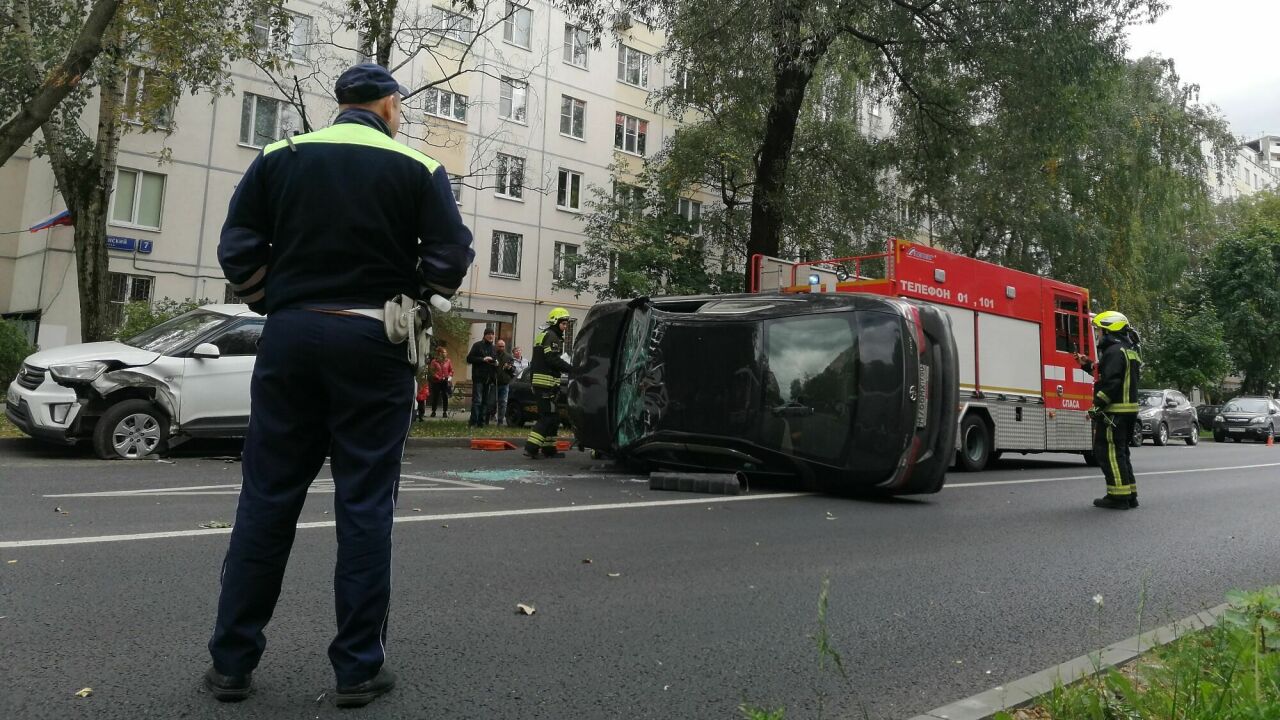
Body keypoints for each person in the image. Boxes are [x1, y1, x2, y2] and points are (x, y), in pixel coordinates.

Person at [207, 63, 474, 708]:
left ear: (340, 106)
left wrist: (283, 297)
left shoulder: (281, 154)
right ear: (388, 105)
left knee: (267, 498)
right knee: (363, 504)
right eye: (400, 107)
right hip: (371, 339)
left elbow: (237, 248)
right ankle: (356, 668)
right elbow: (450, 257)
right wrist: (410, 293)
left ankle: (232, 665)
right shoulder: (417, 166)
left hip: (292, 336)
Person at [1075, 310, 1142, 510]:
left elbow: (1111, 383)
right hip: (1128, 412)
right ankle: (1130, 494)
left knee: (1109, 453)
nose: (1098, 334)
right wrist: (1087, 365)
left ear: (1109, 329)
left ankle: (1118, 497)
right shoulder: (1129, 351)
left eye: (1099, 330)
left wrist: (1096, 406)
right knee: (1121, 453)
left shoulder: (1113, 352)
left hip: (1115, 412)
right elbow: (1109, 373)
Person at [524, 308, 574, 459]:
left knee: (554, 417)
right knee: (547, 417)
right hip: (546, 384)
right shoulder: (552, 337)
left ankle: (549, 449)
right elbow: (552, 359)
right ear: (555, 322)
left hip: (543, 383)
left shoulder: (545, 335)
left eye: (566, 324)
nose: (565, 327)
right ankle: (531, 448)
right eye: (563, 323)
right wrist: (572, 369)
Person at [467, 327, 498, 426]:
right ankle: (473, 422)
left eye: (492, 334)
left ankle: (482, 422)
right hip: (478, 377)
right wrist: (482, 359)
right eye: (488, 334)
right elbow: (469, 358)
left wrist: (496, 362)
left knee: (485, 401)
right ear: (484, 335)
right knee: (477, 400)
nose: (491, 336)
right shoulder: (477, 345)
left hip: (488, 378)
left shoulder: (493, 348)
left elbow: (495, 360)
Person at [494, 339, 515, 426]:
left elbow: (513, 370)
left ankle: (500, 421)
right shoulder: (493, 355)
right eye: (500, 346)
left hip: (505, 383)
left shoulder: (509, 357)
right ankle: (487, 418)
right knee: (492, 402)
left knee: (503, 402)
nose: (501, 348)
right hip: (494, 382)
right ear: (496, 346)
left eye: (503, 346)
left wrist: (509, 367)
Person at [428, 346, 453, 418]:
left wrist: (449, 376)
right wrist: (438, 377)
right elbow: (432, 371)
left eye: (446, 352)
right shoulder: (434, 361)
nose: (446, 354)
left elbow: (451, 370)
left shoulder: (448, 361)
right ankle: (433, 411)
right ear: (440, 353)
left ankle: (445, 412)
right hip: (437, 381)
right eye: (444, 352)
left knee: (445, 396)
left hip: (445, 381)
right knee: (435, 396)